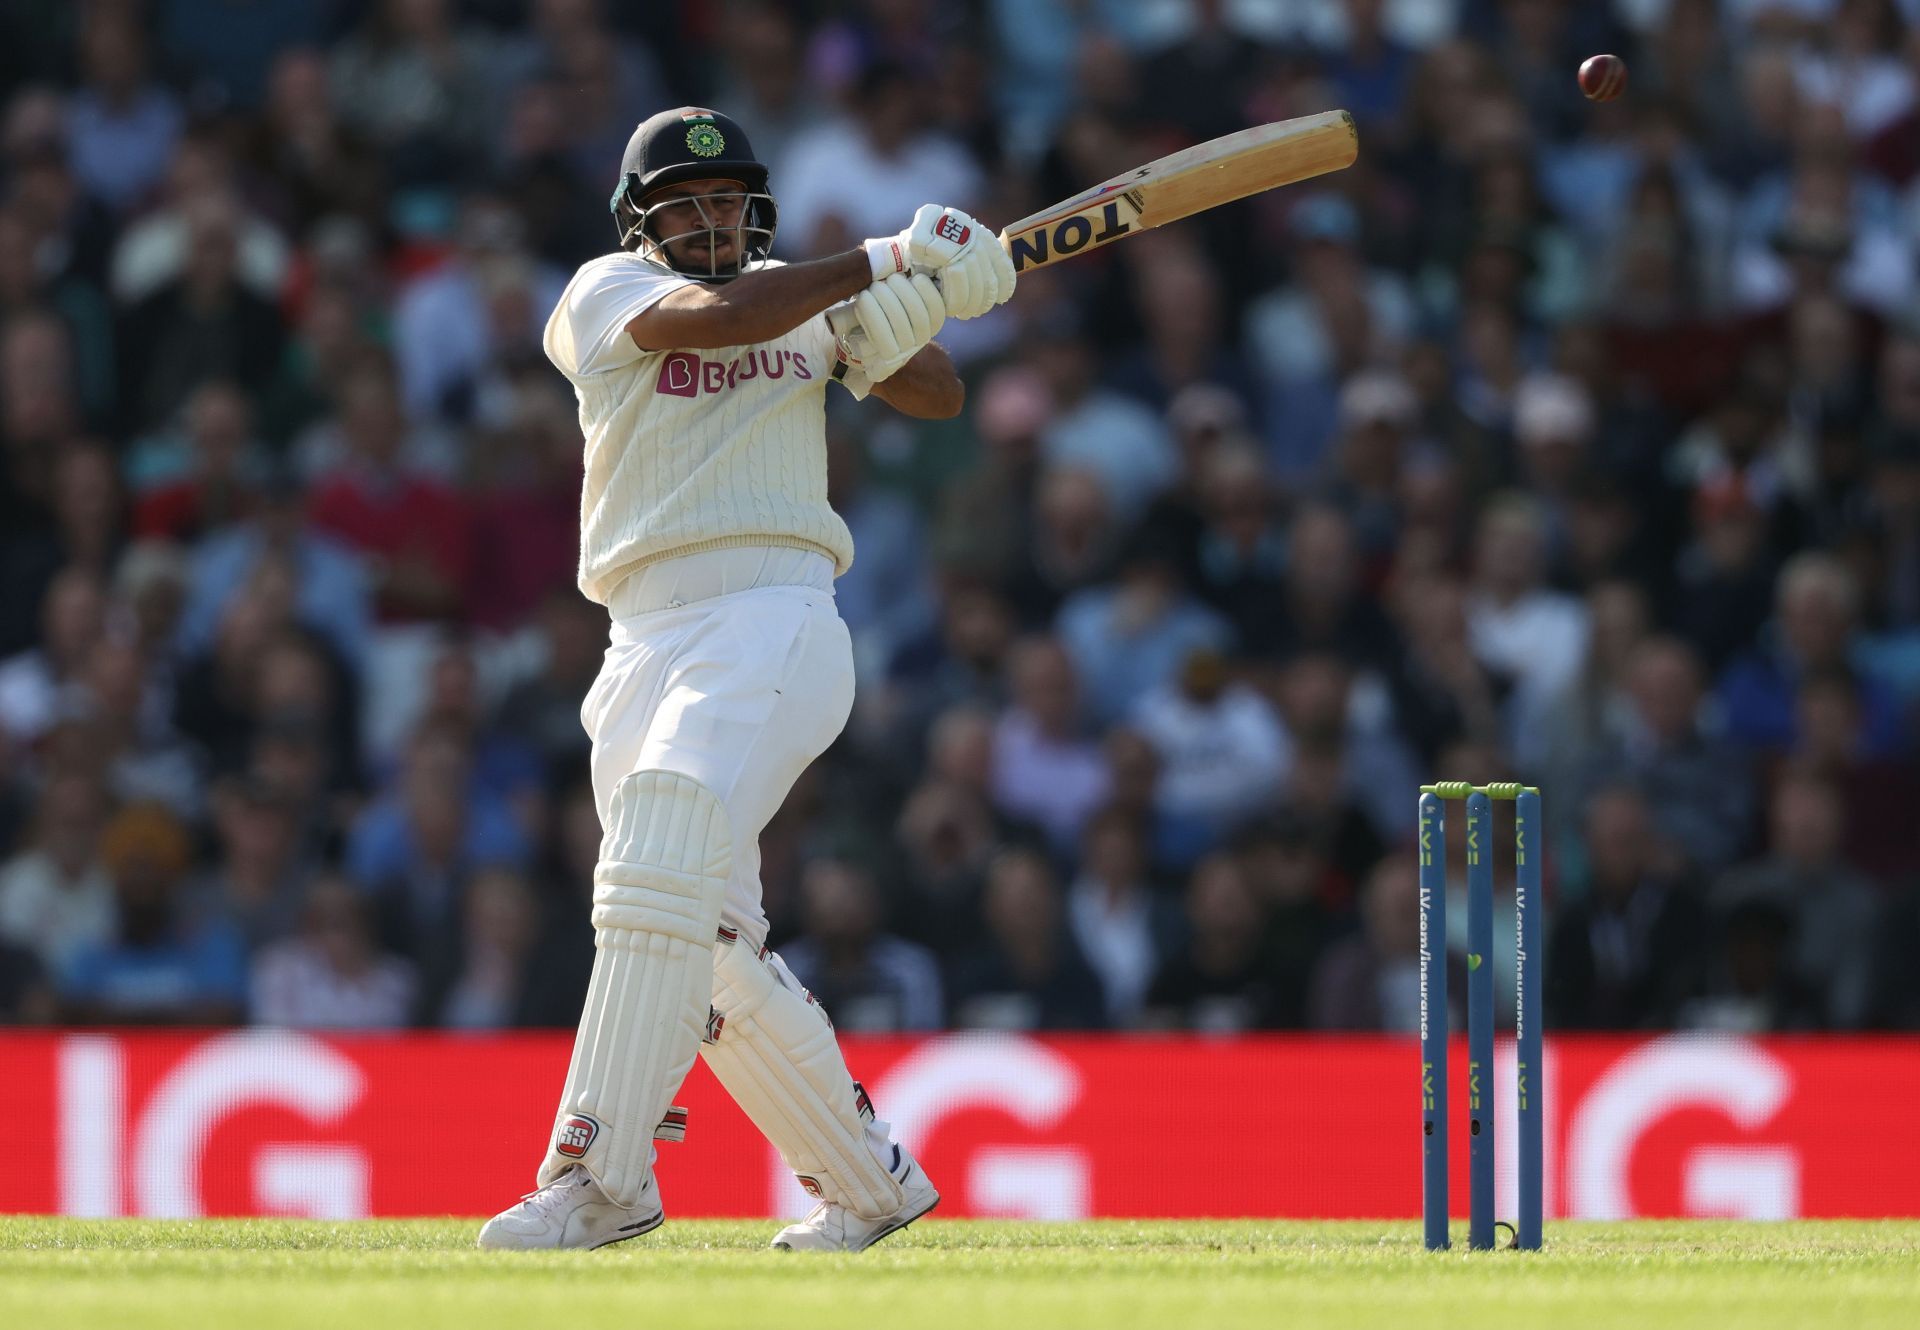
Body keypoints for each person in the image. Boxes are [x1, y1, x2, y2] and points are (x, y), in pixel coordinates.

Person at [478, 107, 1015, 1253]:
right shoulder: (606, 291)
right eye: (688, 204)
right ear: (642, 219)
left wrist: (925, 299)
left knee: (662, 840)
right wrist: (882, 262)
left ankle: (603, 1175)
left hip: (775, 615)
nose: (714, 222)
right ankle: (871, 1188)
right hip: (641, 639)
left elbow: (933, 392)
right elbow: (713, 320)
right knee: (703, 941)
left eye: (727, 203)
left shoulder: (797, 292)